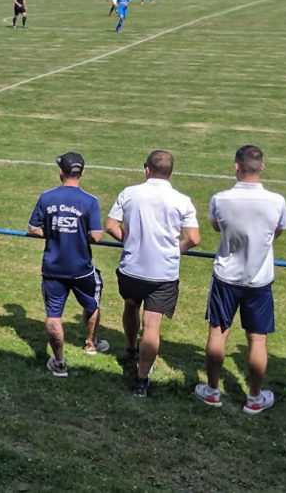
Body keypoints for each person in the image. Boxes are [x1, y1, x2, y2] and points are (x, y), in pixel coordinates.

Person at [194, 146, 286, 414]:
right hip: (259, 281)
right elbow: (277, 231)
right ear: (262, 167)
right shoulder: (277, 201)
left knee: (217, 333)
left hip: (226, 278)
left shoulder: (220, 199)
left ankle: (212, 391)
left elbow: (216, 227)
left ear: (236, 166)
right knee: (257, 340)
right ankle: (254, 397)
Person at [104, 149, 199, 398]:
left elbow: (110, 225)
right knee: (152, 325)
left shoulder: (129, 193)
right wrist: (174, 250)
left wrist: (129, 240)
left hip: (132, 269)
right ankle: (141, 379)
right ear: (170, 172)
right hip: (163, 274)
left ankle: (130, 349)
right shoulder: (182, 200)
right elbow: (193, 238)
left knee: (130, 306)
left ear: (147, 169)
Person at [27, 152, 108, 378]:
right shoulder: (90, 201)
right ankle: (91, 344)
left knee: (54, 314)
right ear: (82, 173)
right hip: (81, 269)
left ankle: (60, 363)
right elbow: (97, 235)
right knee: (91, 304)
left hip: (53, 269)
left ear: (60, 172)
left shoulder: (46, 197)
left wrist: (53, 233)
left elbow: (33, 227)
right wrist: (79, 235)